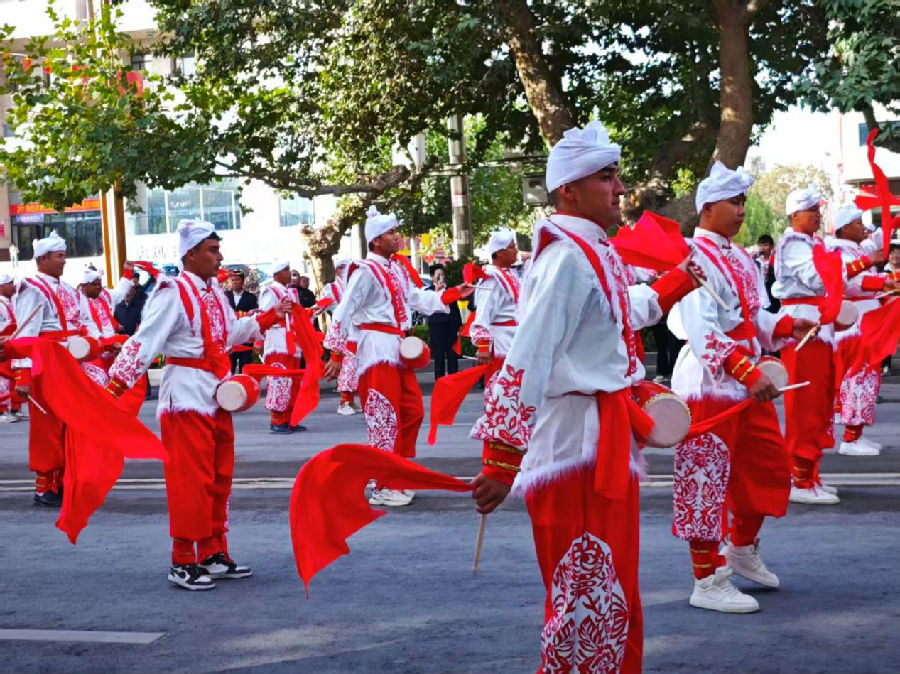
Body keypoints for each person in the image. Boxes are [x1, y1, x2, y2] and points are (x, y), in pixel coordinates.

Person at [468, 122, 702, 673]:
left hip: (600, 441)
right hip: (573, 449)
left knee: (607, 593)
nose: (620, 188)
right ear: (568, 190)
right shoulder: (566, 258)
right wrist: (502, 458)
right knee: (584, 597)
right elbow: (527, 356)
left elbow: (620, 317)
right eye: (607, 176)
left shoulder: (591, 251)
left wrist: (676, 282)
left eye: (616, 175)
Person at [105, 219, 290, 591]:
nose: (219, 257)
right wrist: (114, 387)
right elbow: (146, 340)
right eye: (212, 250)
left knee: (219, 477)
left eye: (218, 249)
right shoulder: (172, 291)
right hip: (185, 396)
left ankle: (213, 551)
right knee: (191, 481)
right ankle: (182, 559)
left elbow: (226, 335)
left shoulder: (213, 292)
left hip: (216, 393)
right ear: (190, 254)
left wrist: (266, 318)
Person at [668, 162, 816, 613]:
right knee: (704, 482)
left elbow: (754, 319)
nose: (740, 210)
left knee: (768, 469)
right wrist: (747, 371)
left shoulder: (740, 258)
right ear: (707, 208)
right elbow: (702, 330)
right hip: (709, 385)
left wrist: (788, 324)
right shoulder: (693, 258)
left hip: (747, 383)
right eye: (733, 202)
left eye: (742, 202)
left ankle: (741, 548)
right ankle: (706, 578)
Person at [323, 205, 474, 507]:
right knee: (384, 416)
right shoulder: (365, 270)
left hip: (397, 347)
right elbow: (344, 310)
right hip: (376, 347)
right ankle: (384, 483)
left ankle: (398, 474)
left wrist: (453, 293)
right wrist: (337, 352)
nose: (397, 237)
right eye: (391, 233)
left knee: (411, 411)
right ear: (376, 240)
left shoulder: (396, 269)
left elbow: (417, 298)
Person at [12, 231, 100, 507]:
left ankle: (63, 481)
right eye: (60, 256)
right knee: (46, 427)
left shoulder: (67, 289)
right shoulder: (32, 288)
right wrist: (23, 376)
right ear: (44, 258)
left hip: (69, 363)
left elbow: (80, 322)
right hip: (45, 363)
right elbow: (25, 336)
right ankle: (44, 486)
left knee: (68, 424)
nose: (65, 261)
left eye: (64, 255)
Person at [771, 184, 841, 504]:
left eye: (818, 209)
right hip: (803, 327)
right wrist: (839, 263)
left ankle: (809, 474)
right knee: (805, 405)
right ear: (794, 215)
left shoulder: (810, 243)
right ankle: (800, 481)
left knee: (818, 402)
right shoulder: (795, 244)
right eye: (810, 210)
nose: (817, 215)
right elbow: (817, 278)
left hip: (815, 326)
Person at [827, 205, 896, 456]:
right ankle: (851, 438)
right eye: (857, 223)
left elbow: (881, 239)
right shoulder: (839, 252)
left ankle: (855, 435)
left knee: (864, 378)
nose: (863, 228)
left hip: (864, 320)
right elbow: (851, 284)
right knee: (859, 379)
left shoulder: (856, 248)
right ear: (845, 228)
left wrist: (894, 219)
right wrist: (885, 282)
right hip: (856, 324)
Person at [259, 260, 304, 433]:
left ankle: (290, 418)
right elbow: (266, 314)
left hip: (291, 339)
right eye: (286, 270)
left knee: (292, 380)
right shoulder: (270, 290)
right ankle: (277, 419)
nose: (289, 273)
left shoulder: (290, 291)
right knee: (280, 378)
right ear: (277, 274)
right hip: (278, 338)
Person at [470, 230, 519, 372]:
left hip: (514, 341)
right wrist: (483, 344)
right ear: (499, 253)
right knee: (500, 389)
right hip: (501, 344)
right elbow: (483, 311)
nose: (516, 251)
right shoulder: (491, 278)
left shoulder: (509, 274)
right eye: (511, 247)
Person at [78, 266, 135, 387]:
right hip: (92, 351)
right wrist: (104, 343)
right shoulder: (77, 301)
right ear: (84, 286)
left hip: (112, 348)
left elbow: (120, 292)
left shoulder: (105, 295)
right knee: (99, 383)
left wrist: (128, 272)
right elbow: (85, 326)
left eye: (100, 284)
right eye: (94, 284)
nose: (98, 287)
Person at [321, 259, 359, 415]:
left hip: (359, 331)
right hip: (343, 332)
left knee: (359, 366)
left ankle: (356, 399)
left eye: (347, 268)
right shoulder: (331, 288)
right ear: (336, 270)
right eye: (342, 268)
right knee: (346, 367)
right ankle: (345, 401)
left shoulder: (356, 285)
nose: (345, 271)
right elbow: (323, 305)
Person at [425, 264, 463, 379]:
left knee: (452, 354)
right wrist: (437, 292)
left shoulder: (449, 290)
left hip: (450, 326)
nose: (441, 277)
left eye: (442, 274)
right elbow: (428, 306)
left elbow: (455, 308)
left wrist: (459, 324)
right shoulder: (429, 291)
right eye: (438, 275)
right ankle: (439, 379)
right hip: (437, 326)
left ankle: (453, 378)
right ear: (432, 278)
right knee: (439, 354)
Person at [0, 273, 26, 423]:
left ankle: (14, 408)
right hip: (3, 345)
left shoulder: (10, 302)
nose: (12, 286)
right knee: (2, 380)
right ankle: (1, 411)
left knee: (13, 377)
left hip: (11, 344)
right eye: (9, 284)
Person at [225, 270, 258, 374]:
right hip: (231, 336)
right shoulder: (224, 296)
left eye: (237, 280)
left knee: (245, 365)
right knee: (229, 366)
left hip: (246, 335)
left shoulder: (251, 297)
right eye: (233, 280)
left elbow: (254, 315)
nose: (235, 282)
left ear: (243, 281)